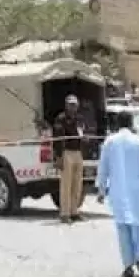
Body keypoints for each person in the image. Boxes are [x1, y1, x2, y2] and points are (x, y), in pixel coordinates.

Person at [96, 110, 139, 277]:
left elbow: (103, 168)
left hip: (118, 192)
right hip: (137, 191)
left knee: (123, 228)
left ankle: (127, 264)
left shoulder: (109, 142)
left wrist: (101, 190)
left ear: (117, 124)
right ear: (131, 123)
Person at [52, 94, 86, 223]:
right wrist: (58, 157)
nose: (73, 107)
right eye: (71, 104)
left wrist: (85, 138)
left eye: (75, 104)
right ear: (66, 105)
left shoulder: (80, 118)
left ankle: (74, 211)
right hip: (66, 153)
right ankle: (65, 213)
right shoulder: (61, 119)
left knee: (77, 183)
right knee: (66, 184)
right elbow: (58, 140)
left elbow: (82, 131)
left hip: (78, 151)